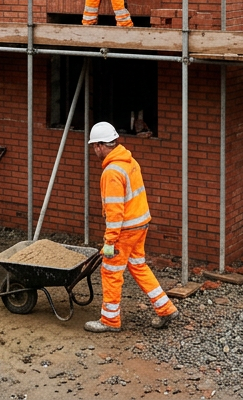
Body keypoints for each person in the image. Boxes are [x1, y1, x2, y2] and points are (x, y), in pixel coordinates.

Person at [85, 121, 178, 332]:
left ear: (100, 145)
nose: (94, 150)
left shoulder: (111, 172)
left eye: (94, 146)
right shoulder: (129, 160)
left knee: (110, 271)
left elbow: (115, 211)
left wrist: (109, 242)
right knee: (138, 266)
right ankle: (166, 308)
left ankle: (110, 321)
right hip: (140, 224)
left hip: (125, 230)